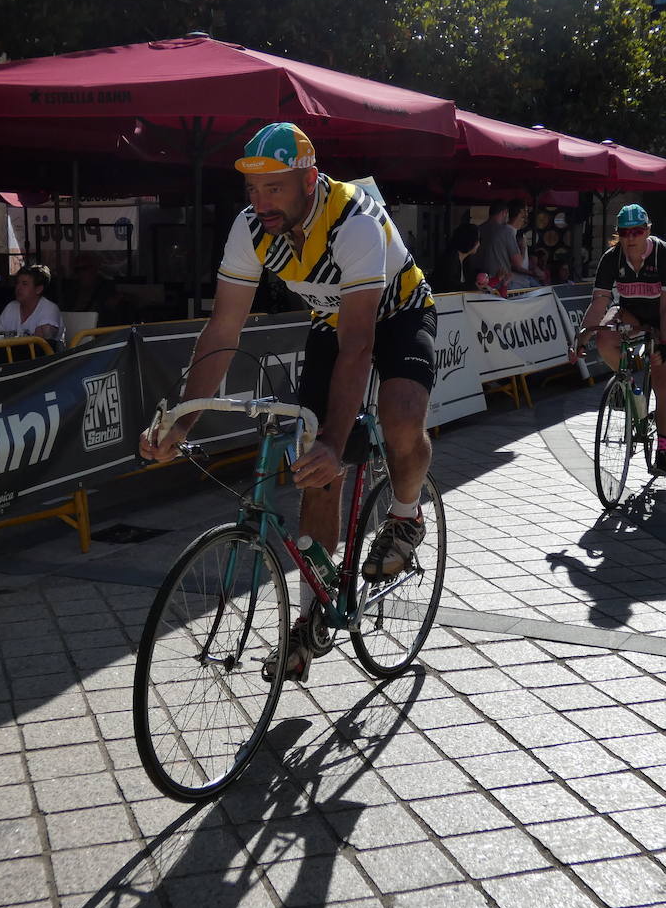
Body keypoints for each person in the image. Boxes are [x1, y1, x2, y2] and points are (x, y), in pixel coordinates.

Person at [139, 122, 436, 683]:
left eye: (274, 188)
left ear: (307, 178)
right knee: (313, 475)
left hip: (398, 315)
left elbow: (361, 345)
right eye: (252, 189)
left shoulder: (355, 222)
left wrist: (333, 440)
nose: (260, 202)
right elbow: (224, 328)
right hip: (332, 321)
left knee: (398, 419)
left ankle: (404, 515)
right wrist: (184, 418)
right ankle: (310, 618)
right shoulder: (251, 229)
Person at [569, 203, 666, 477]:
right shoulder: (612, 258)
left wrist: (665, 344)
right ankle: (630, 386)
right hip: (632, 313)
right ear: (618, 233)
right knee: (605, 337)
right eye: (625, 232)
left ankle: (663, 450)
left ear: (648, 231)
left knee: (661, 378)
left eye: (638, 231)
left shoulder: (665, 255)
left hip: (665, 318)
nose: (631, 238)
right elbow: (599, 303)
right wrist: (582, 338)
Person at [0, 263, 65, 343]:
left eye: (24, 284)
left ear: (39, 289)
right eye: (17, 283)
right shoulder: (11, 307)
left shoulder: (50, 309)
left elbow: (41, 342)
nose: (18, 288)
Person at [432, 219, 480, 293]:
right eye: (477, 240)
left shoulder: (465, 260)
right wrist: (474, 286)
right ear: (470, 241)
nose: (478, 244)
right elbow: (451, 286)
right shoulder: (450, 260)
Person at [476, 200, 516, 286]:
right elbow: (518, 261)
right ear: (504, 212)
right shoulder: (506, 231)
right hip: (501, 281)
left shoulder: (478, 229)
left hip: (479, 279)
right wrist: (523, 248)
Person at [506, 199, 540, 288]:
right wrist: (532, 273)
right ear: (521, 212)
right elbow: (515, 265)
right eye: (526, 210)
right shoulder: (508, 233)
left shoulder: (516, 232)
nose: (527, 213)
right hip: (514, 283)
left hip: (522, 282)